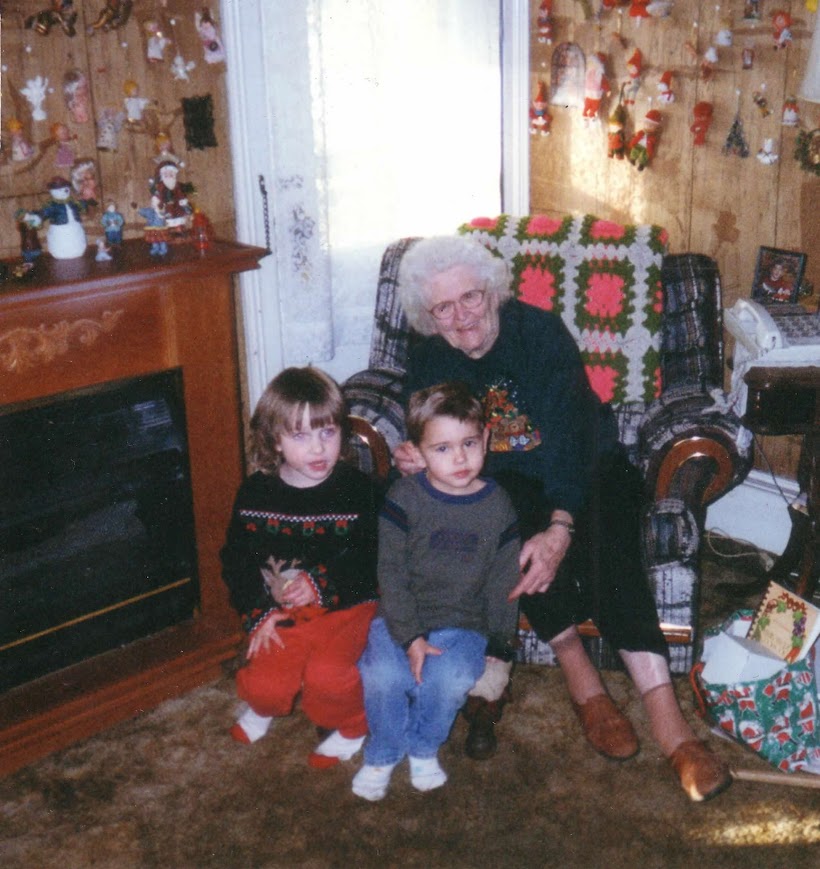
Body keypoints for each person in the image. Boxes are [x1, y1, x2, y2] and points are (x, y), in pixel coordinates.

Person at [391, 235, 732, 802]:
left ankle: (670, 724)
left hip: (585, 465)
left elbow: (570, 444)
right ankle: (582, 677)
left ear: (492, 291)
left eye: (470, 297)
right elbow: (425, 424)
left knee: (605, 547)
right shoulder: (429, 353)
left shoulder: (538, 333)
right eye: (442, 308)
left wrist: (562, 524)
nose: (461, 317)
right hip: (499, 481)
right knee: (507, 528)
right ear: (428, 316)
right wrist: (413, 452)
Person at [352, 382, 520, 801]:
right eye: (442, 448)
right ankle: (384, 751)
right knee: (381, 674)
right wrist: (410, 637)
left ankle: (424, 746)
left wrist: (500, 639)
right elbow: (390, 572)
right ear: (418, 452)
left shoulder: (498, 505)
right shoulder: (404, 497)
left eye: (468, 443)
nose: (459, 458)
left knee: (451, 679)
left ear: (485, 440)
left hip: (464, 625)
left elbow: (505, 578)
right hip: (401, 619)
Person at [220, 366, 380, 768]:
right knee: (264, 683)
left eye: (327, 432)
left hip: (347, 605)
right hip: (284, 609)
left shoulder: (357, 490)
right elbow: (235, 557)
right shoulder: (256, 491)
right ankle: (264, 707)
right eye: (300, 435)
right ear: (274, 440)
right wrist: (258, 612)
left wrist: (323, 582)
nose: (317, 449)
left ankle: (353, 725)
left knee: (328, 679)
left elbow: (376, 555)